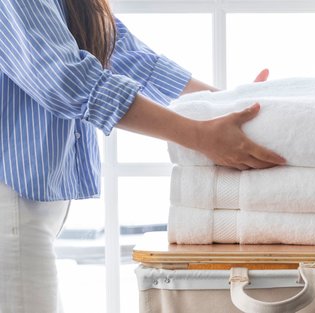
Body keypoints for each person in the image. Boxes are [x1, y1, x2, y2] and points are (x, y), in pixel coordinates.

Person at [0, 0, 286, 312]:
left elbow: (123, 52)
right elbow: (66, 79)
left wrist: (226, 105)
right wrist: (199, 136)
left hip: (29, 203)